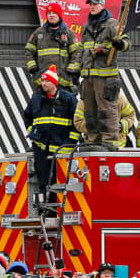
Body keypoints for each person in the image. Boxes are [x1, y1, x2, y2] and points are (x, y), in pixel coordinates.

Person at [77, 0, 130, 149]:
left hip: (106, 77)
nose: (92, 7)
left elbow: (127, 43)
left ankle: (110, 141)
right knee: (90, 111)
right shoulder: (87, 27)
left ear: (102, 6)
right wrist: (76, 71)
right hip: (88, 77)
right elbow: (81, 50)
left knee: (106, 110)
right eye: (90, 4)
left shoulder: (112, 24)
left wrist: (119, 44)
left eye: (95, 4)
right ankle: (93, 140)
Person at [22, 66, 80, 204]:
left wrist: (71, 141)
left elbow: (77, 121)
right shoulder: (36, 99)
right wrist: (32, 131)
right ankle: (45, 206)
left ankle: (59, 205)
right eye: (42, 81)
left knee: (60, 181)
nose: (43, 84)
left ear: (54, 82)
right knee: (43, 178)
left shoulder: (69, 99)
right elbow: (27, 116)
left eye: (46, 81)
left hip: (63, 148)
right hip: (41, 146)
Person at [24, 2, 80, 90]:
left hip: (63, 79)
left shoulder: (69, 34)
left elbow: (77, 53)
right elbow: (29, 51)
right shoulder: (38, 33)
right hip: (42, 80)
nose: (51, 15)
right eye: (49, 13)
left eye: (54, 13)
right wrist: (32, 67)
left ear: (59, 15)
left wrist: (71, 69)